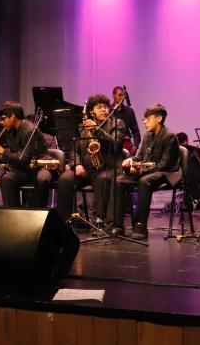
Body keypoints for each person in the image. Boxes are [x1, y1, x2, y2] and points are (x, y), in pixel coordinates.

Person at [107, 104, 181, 239]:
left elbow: (164, 165)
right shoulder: (147, 135)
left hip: (167, 173)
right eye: (144, 119)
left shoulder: (169, 136)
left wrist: (141, 170)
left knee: (144, 181)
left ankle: (140, 227)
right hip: (148, 171)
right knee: (118, 180)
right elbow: (140, 156)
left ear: (159, 118)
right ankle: (116, 225)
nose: (144, 121)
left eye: (148, 118)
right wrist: (131, 160)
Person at [56, 94, 126, 227]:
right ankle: (62, 222)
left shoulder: (117, 123)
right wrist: (76, 164)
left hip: (105, 168)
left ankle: (99, 221)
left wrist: (97, 131)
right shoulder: (82, 127)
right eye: (99, 107)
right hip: (85, 169)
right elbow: (74, 149)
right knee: (65, 179)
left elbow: (116, 144)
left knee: (102, 179)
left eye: (106, 107)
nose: (104, 110)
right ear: (91, 111)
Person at [0, 101, 51, 207]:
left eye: (3, 118)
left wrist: (2, 151)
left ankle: (39, 216)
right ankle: (13, 216)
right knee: (7, 179)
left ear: (13, 117)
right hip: (25, 168)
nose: (1, 122)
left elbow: (23, 158)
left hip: (40, 166)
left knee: (42, 179)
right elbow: (14, 156)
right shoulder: (10, 131)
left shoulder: (30, 130)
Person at [111, 86, 141, 154]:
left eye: (123, 95)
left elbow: (135, 131)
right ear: (113, 95)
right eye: (119, 95)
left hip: (126, 144)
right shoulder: (109, 110)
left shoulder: (130, 111)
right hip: (111, 145)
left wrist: (135, 145)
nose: (122, 98)